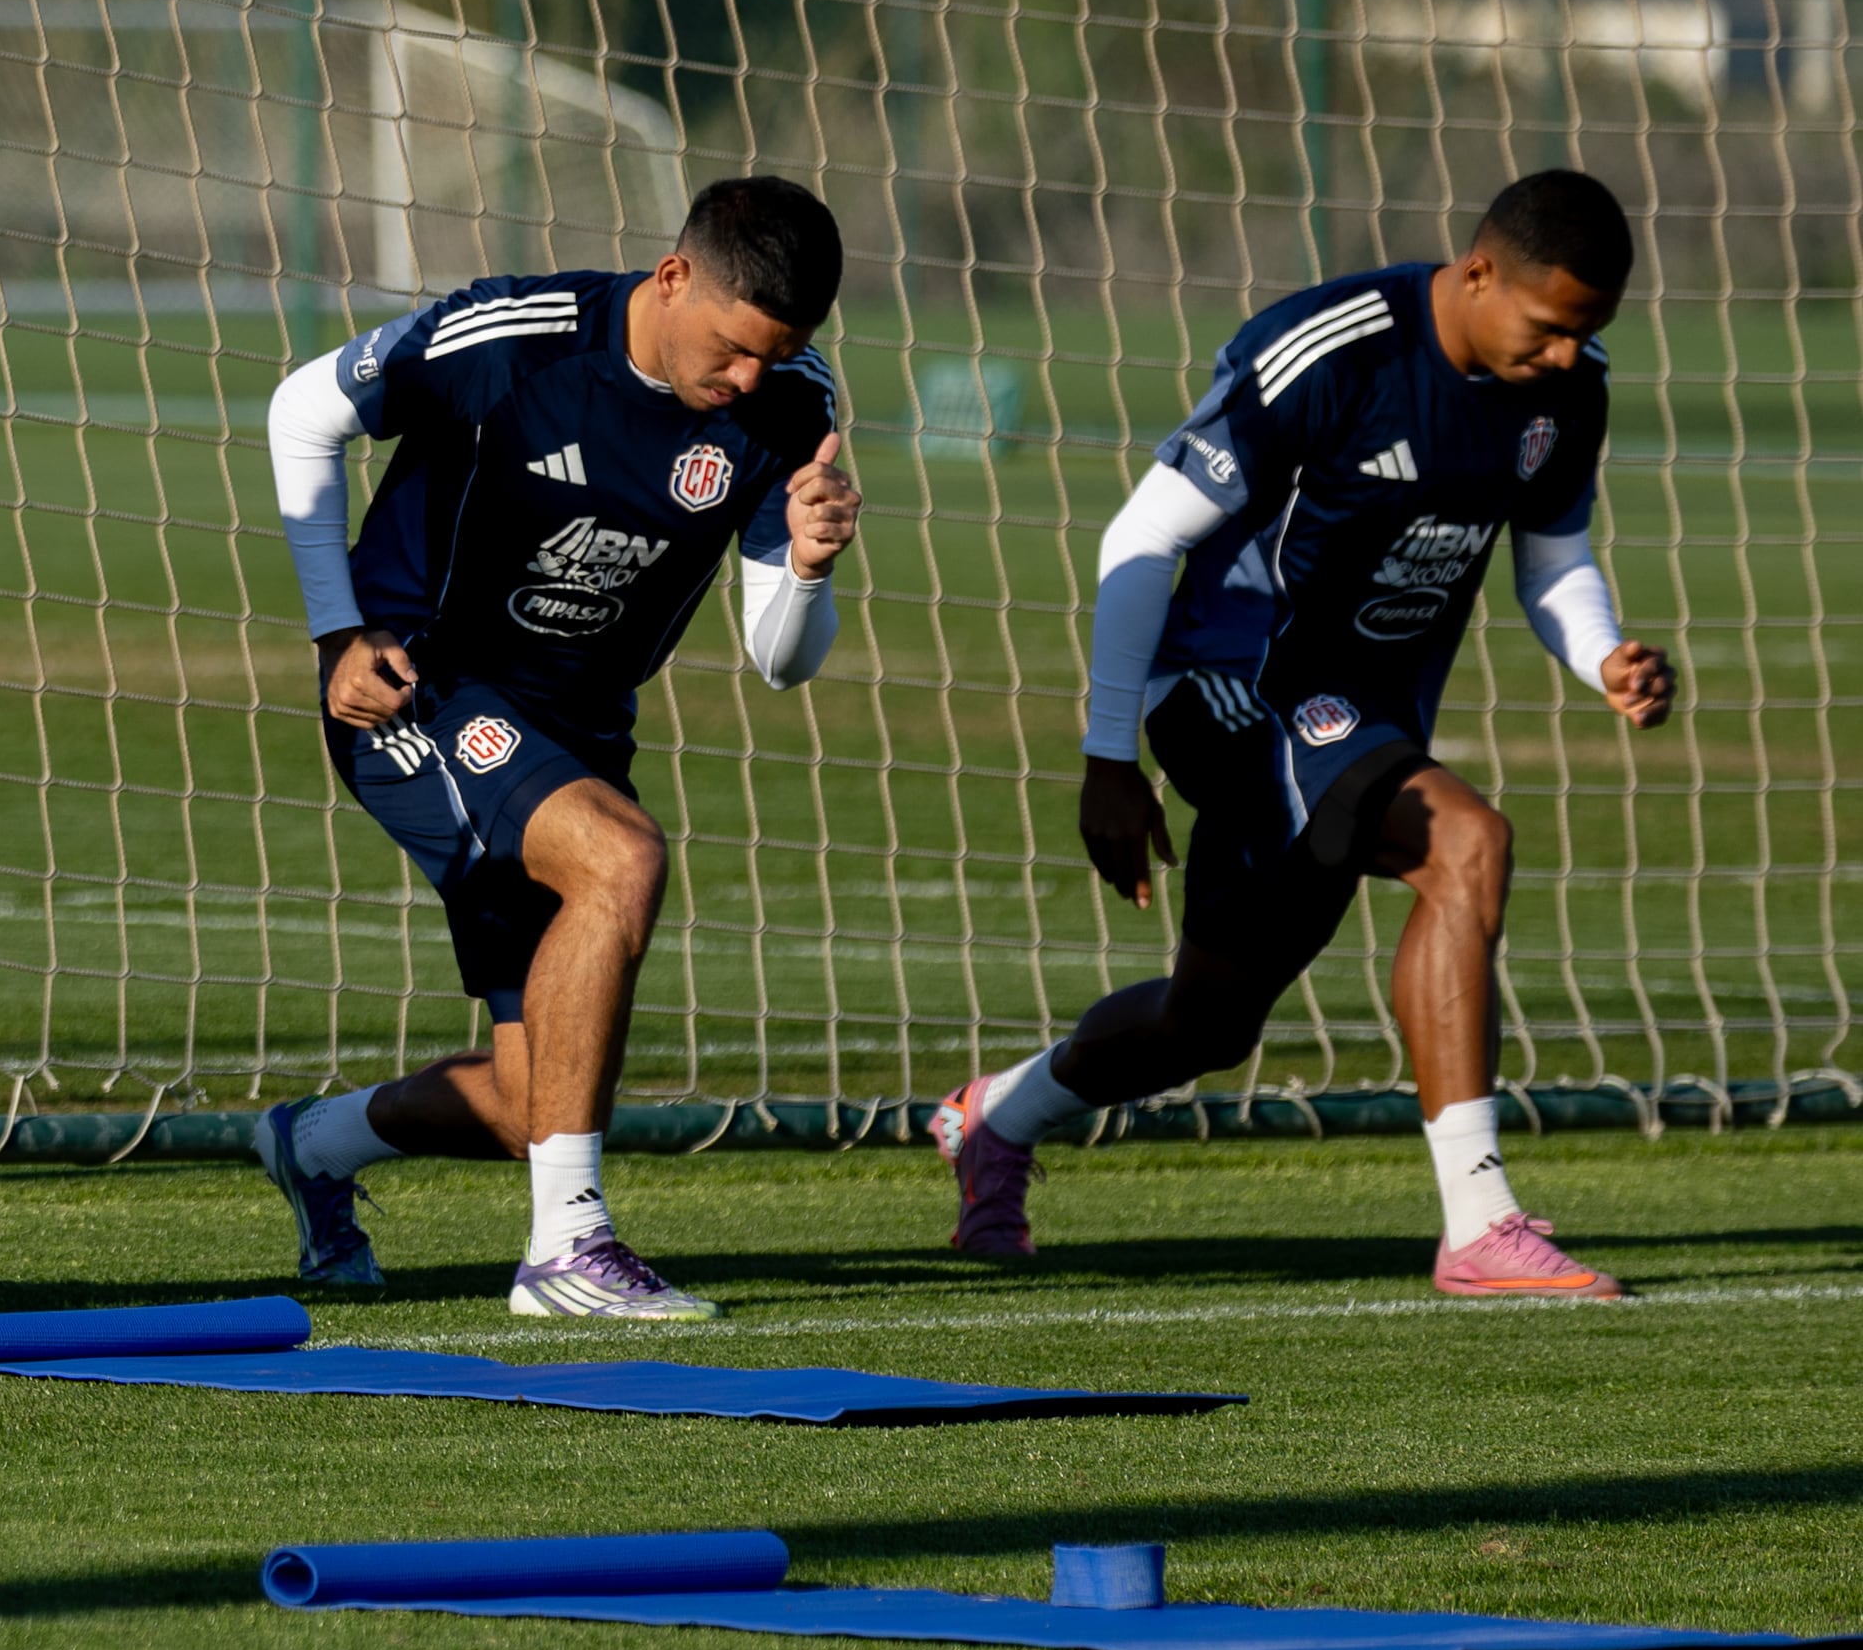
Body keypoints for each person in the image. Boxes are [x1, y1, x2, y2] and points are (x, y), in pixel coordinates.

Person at [934, 170, 1672, 1296]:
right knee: (1463, 845)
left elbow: (1552, 559)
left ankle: (994, 1118)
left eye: (1588, 333)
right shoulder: (1327, 354)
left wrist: (1600, 654)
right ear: (1477, 273)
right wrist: (1106, 753)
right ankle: (1479, 1226)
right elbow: (1141, 538)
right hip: (1232, 679)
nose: (1567, 355)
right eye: (1549, 327)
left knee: (1206, 1022)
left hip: (1358, 714)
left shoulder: (1566, 391)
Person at [251, 179, 860, 1321]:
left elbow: (780, 658)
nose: (745, 382)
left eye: (772, 360)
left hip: (572, 731)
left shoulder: (791, 405)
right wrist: (338, 629)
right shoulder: (514, 339)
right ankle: (566, 1253)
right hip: (415, 687)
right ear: (672, 278)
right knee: (620, 861)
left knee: (542, 1094)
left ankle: (315, 1145)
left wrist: (811, 570)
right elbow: (302, 409)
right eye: (731, 351)